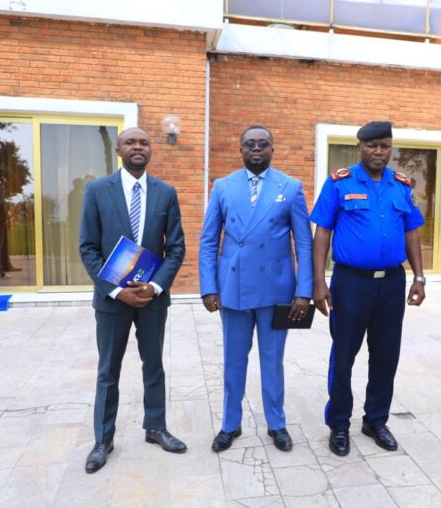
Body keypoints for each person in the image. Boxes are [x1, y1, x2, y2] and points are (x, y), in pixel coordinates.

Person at [311, 121, 426, 457]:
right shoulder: (339, 182)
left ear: (391, 149)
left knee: (386, 355)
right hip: (351, 283)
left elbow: (412, 232)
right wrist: (319, 282)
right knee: (344, 354)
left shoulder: (401, 185)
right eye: (372, 146)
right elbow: (322, 233)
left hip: (391, 283)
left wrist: (419, 277)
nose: (379, 152)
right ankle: (339, 423)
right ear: (359, 147)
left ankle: (376, 420)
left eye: (385, 146)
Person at [199, 125, 313, 453]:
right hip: (233, 289)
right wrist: (209, 286)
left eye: (263, 143)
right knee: (233, 361)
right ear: (241, 150)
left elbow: (303, 243)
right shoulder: (222, 186)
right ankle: (229, 424)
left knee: (273, 361)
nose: (257, 149)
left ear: (273, 149)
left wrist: (304, 291)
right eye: (250, 144)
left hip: (277, 290)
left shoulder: (290, 187)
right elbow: (209, 241)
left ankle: (276, 424)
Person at [79, 127, 186, 473]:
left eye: (143, 142)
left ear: (150, 150)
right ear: (118, 149)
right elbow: (88, 248)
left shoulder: (165, 193)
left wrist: (154, 287)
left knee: (154, 365)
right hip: (112, 301)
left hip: (151, 299)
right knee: (108, 370)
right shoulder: (97, 191)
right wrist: (116, 290)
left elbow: (176, 248)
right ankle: (103, 439)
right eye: (130, 142)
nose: (137, 147)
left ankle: (156, 427)